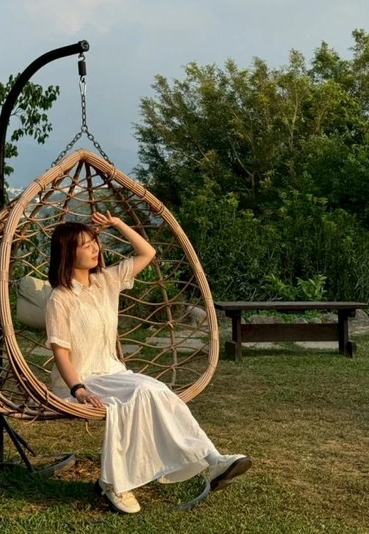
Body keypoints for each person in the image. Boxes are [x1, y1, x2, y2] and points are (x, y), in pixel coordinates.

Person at [45, 211, 251, 514]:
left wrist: (116, 224)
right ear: (67, 252)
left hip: (112, 370)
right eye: (85, 245)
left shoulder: (106, 281)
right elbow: (60, 353)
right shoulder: (60, 298)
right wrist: (78, 389)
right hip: (81, 378)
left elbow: (148, 252)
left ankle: (213, 459)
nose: (95, 249)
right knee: (140, 395)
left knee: (155, 391)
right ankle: (116, 483)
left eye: (95, 242)